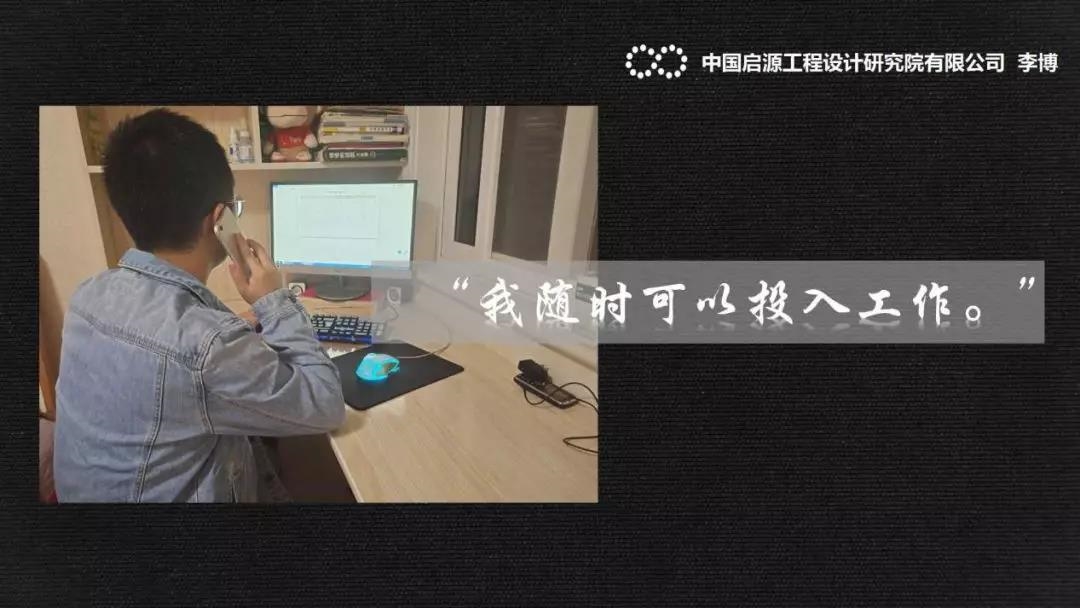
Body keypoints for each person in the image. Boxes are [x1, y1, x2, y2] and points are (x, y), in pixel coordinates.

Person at [53, 109, 345, 502]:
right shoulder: (206, 345)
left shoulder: (88, 294)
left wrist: (238, 324)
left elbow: (170, 350)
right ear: (220, 219)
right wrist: (273, 300)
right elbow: (326, 404)